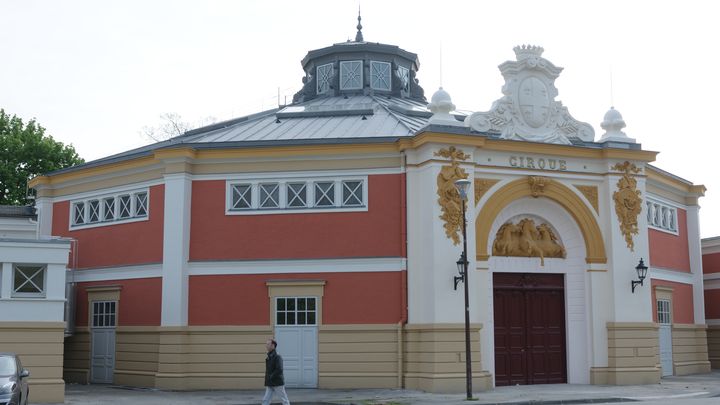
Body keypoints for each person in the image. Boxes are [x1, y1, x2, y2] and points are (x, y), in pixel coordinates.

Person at [262, 339, 290, 405]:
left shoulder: (277, 356)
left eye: (268, 344)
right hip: (270, 382)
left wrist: (271, 376)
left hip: (277, 382)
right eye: (266, 344)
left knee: (284, 399)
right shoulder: (269, 356)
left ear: (273, 346)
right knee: (266, 399)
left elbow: (279, 369)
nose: (266, 346)